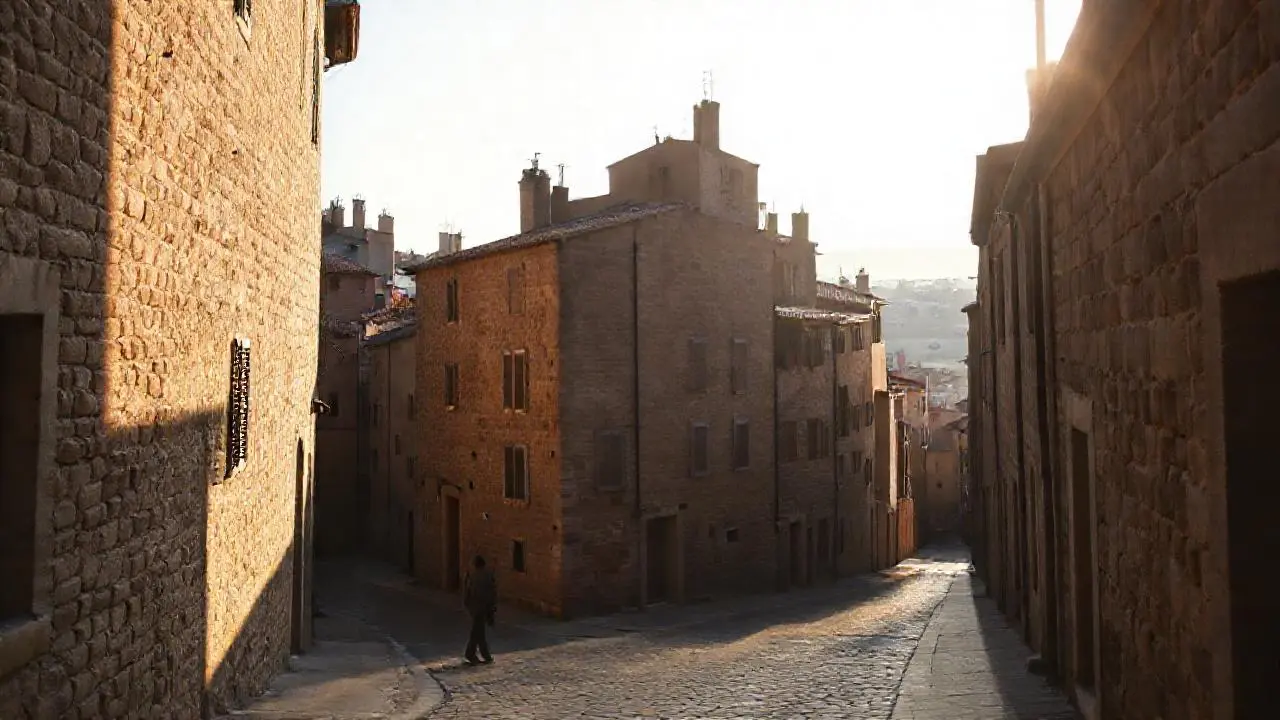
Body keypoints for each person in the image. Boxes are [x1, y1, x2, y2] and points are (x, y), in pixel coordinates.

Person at [463, 554, 496, 665]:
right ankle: (472, 653)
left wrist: (468, 606)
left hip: (475, 608)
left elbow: (467, 593)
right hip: (483, 607)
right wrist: (491, 610)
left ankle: (483, 655)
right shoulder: (488, 576)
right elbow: (492, 594)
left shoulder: (472, 576)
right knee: (477, 632)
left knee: (478, 631)